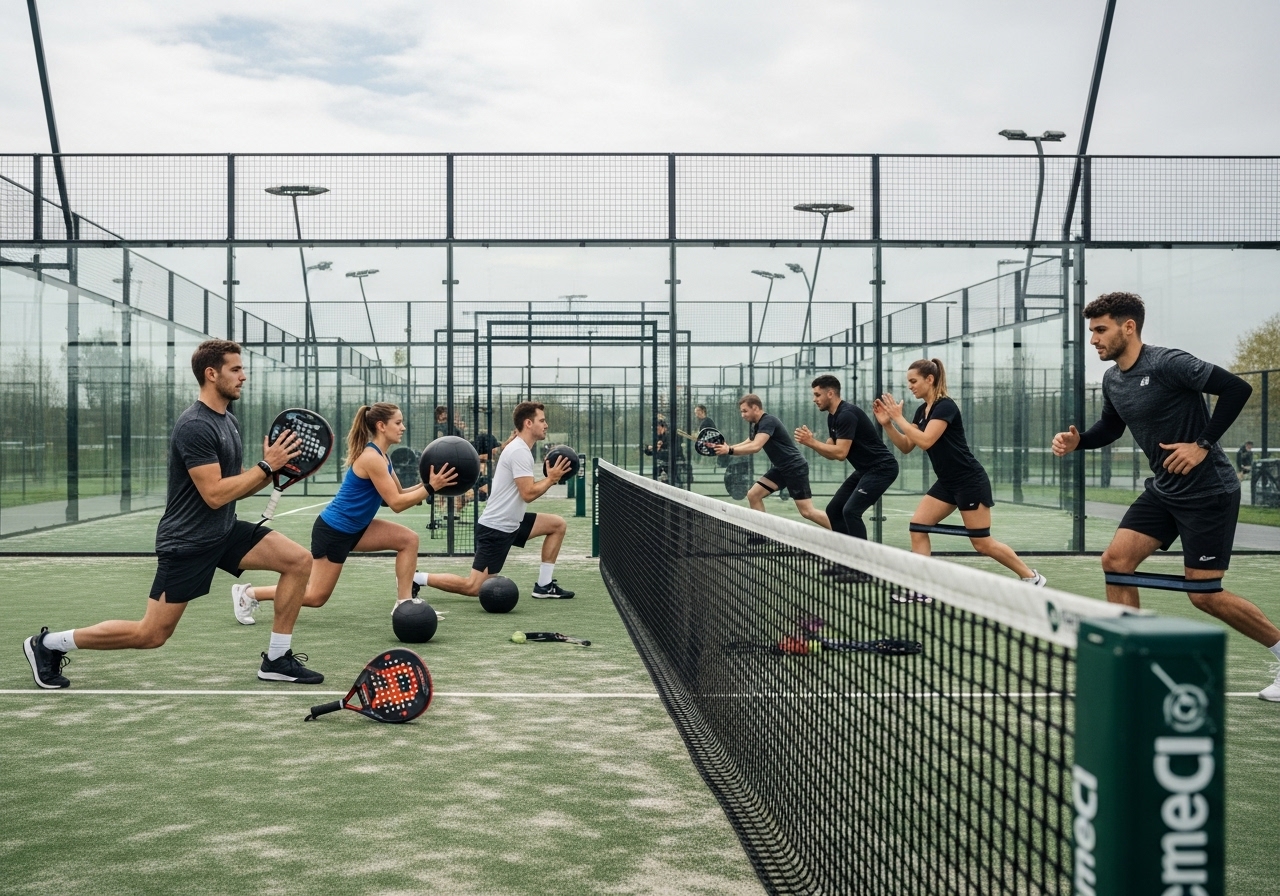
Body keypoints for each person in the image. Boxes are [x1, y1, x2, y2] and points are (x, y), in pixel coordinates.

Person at [23, 340, 326, 688]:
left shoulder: (228, 421)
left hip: (223, 531)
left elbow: (237, 484)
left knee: (298, 562)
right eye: (236, 369)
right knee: (151, 634)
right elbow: (213, 494)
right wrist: (264, 466)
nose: (244, 376)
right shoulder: (195, 425)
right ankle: (46, 644)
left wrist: (272, 472)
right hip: (188, 541)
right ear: (211, 374)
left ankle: (276, 658)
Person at [1052, 291, 1280, 701]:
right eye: (1091, 332)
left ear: (1129, 326)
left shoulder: (1169, 363)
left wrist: (1202, 444)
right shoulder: (1112, 379)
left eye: (1100, 330)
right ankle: (1135, 663)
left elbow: (1236, 389)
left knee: (1204, 595)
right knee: (1116, 561)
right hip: (1164, 490)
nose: (1094, 340)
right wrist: (1079, 442)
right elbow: (1111, 427)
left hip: (1209, 491)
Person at [232, 402, 458, 623]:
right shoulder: (371, 458)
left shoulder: (383, 457)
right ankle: (249, 594)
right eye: (398, 422)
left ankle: (404, 603)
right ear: (381, 426)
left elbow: (397, 494)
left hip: (358, 528)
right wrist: (430, 488)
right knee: (315, 596)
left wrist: (429, 484)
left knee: (408, 540)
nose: (403, 427)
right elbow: (397, 504)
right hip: (333, 531)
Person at [874, 358, 1046, 586]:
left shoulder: (945, 406)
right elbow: (907, 446)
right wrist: (888, 424)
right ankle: (920, 588)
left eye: (913, 381)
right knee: (918, 526)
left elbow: (926, 441)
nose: (910, 386)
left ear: (930, 379)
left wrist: (898, 418)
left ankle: (1032, 577)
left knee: (982, 543)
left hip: (969, 481)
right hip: (947, 482)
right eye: (908, 382)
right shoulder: (920, 411)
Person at [416, 401, 576, 600]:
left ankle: (544, 586)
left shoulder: (521, 448)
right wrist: (552, 478)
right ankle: (418, 578)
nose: (546, 425)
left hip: (512, 523)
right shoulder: (519, 451)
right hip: (496, 528)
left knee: (557, 525)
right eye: (542, 420)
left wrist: (550, 478)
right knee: (474, 587)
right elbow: (528, 493)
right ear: (528, 423)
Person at [795, 374, 899, 540]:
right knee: (834, 511)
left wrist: (812, 442)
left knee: (851, 511)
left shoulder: (847, 414)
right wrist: (812, 441)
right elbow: (832, 451)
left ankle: (861, 562)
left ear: (830, 393)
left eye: (817, 395)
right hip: (865, 470)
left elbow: (841, 453)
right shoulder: (833, 417)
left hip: (882, 468)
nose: (814, 399)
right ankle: (844, 557)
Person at [713, 394, 830, 528]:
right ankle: (762, 533)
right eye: (741, 412)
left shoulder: (768, 421)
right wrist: (727, 448)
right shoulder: (757, 425)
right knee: (753, 495)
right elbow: (750, 441)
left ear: (755, 408)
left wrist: (729, 450)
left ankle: (845, 533)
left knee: (807, 511)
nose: (742, 415)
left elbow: (755, 446)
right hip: (781, 468)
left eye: (745, 411)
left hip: (794, 467)